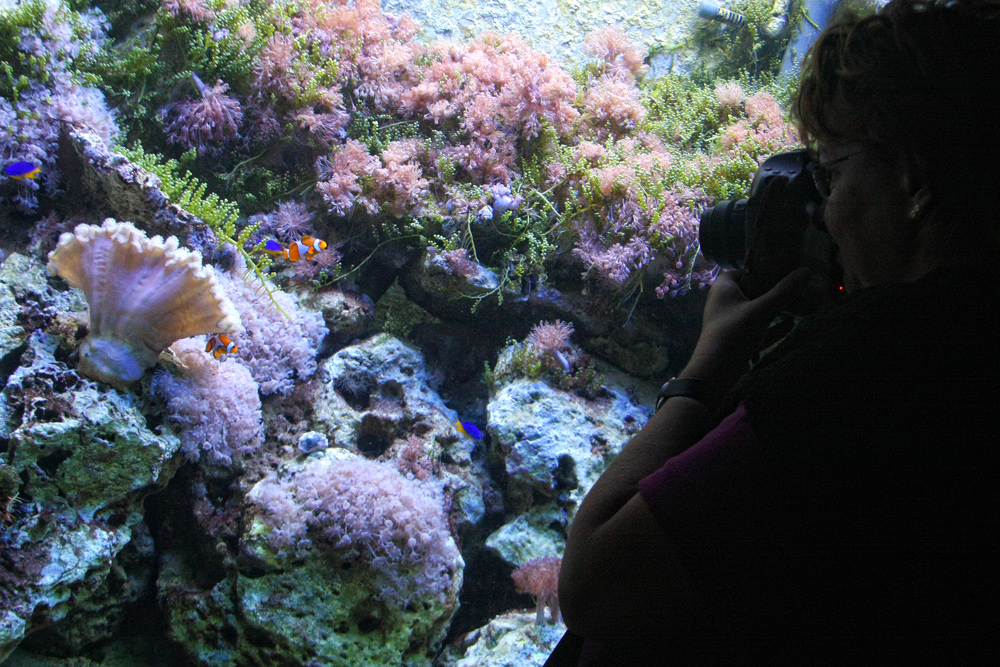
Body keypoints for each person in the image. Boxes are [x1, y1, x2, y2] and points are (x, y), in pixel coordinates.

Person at [554, 0, 1000, 664]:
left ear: (911, 178)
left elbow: (594, 585)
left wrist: (704, 372)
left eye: (834, 173)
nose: (825, 212)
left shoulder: (870, 365)